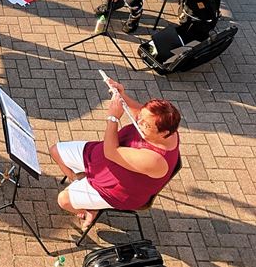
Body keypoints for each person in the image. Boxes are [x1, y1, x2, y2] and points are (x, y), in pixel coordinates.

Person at [50, 79, 180, 230]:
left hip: (116, 187)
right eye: (141, 117)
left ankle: (90, 209)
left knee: (63, 200)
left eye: (146, 125)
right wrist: (121, 95)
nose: (139, 123)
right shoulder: (165, 127)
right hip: (102, 158)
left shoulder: (156, 160)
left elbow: (111, 152)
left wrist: (113, 118)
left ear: (164, 133)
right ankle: (79, 181)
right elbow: (139, 112)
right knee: (55, 151)